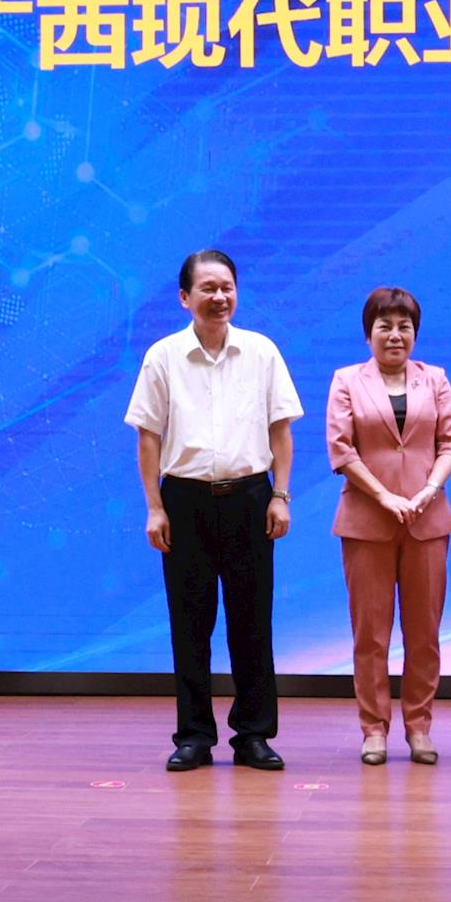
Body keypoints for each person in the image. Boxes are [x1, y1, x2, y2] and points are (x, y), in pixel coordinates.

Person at [125, 249, 302, 773]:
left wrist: (280, 495)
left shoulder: (261, 351)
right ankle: (195, 736)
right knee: (190, 624)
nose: (219, 297)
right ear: (185, 297)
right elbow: (148, 437)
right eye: (208, 288)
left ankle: (253, 734)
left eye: (227, 287)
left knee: (253, 622)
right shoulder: (163, 357)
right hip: (185, 501)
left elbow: (280, 430)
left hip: (250, 498)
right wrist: (154, 507)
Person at [327, 287, 451, 766]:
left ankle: (419, 727)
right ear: (369, 333)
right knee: (371, 635)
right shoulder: (347, 380)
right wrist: (384, 495)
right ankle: (374, 729)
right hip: (368, 521)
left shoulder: (435, 379)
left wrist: (428, 490)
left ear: (415, 333)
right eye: (384, 326)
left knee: (424, 633)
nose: (395, 335)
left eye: (404, 326)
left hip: (427, 519)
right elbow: (341, 449)